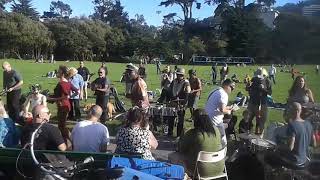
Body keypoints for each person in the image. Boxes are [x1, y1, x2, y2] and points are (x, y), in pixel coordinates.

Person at [168, 109, 224, 177]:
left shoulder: (194, 133)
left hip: (202, 171)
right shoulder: (216, 130)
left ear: (195, 120)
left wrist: (183, 135)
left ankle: (184, 177)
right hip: (220, 168)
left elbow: (181, 149)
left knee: (172, 156)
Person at [265, 102, 316, 168]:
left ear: (296, 111)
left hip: (295, 160)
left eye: (289, 110)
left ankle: (278, 175)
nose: (287, 112)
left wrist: (277, 147)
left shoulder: (292, 125)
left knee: (268, 156)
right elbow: (314, 144)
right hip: (305, 160)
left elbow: (290, 148)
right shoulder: (308, 124)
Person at [48, 65, 77, 146]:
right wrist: (69, 97)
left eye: (59, 71)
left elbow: (60, 97)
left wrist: (49, 99)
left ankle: (72, 142)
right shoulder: (68, 82)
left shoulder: (61, 84)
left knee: (62, 127)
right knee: (61, 126)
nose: (57, 72)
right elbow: (77, 91)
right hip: (65, 106)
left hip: (63, 107)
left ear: (63, 74)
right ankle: (66, 143)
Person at [205, 79, 235, 146]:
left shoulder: (215, 90)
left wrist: (229, 107)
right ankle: (222, 152)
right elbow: (222, 110)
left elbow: (216, 106)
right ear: (227, 86)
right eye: (232, 88)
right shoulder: (224, 94)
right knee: (223, 140)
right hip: (215, 120)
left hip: (206, 117)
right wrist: (229, 111)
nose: (231, 91)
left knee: (211, 136)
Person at [246, 68, 272, 135]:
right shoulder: (253, 79)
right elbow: (248, 89)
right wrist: (247, 86)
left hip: (262, 104)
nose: (258, 77)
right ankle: (248, 134)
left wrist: (263, 89)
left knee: (261, 121)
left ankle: (260, 135)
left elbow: (270, 93)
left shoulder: (267, 81)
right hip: (252, 103)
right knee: (248, 119)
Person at [168, 68, 191, 137]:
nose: (179, 76)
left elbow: (187, 94)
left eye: (180, 75)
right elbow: (170, 90)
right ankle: (170, 132)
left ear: (183, 75)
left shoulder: (186, 83)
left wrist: (183, 104)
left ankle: (179, 135)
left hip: (181, 104)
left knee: (180, 120)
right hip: (173, 102)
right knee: (171, 118)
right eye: (178, 74)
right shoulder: (174, 81)